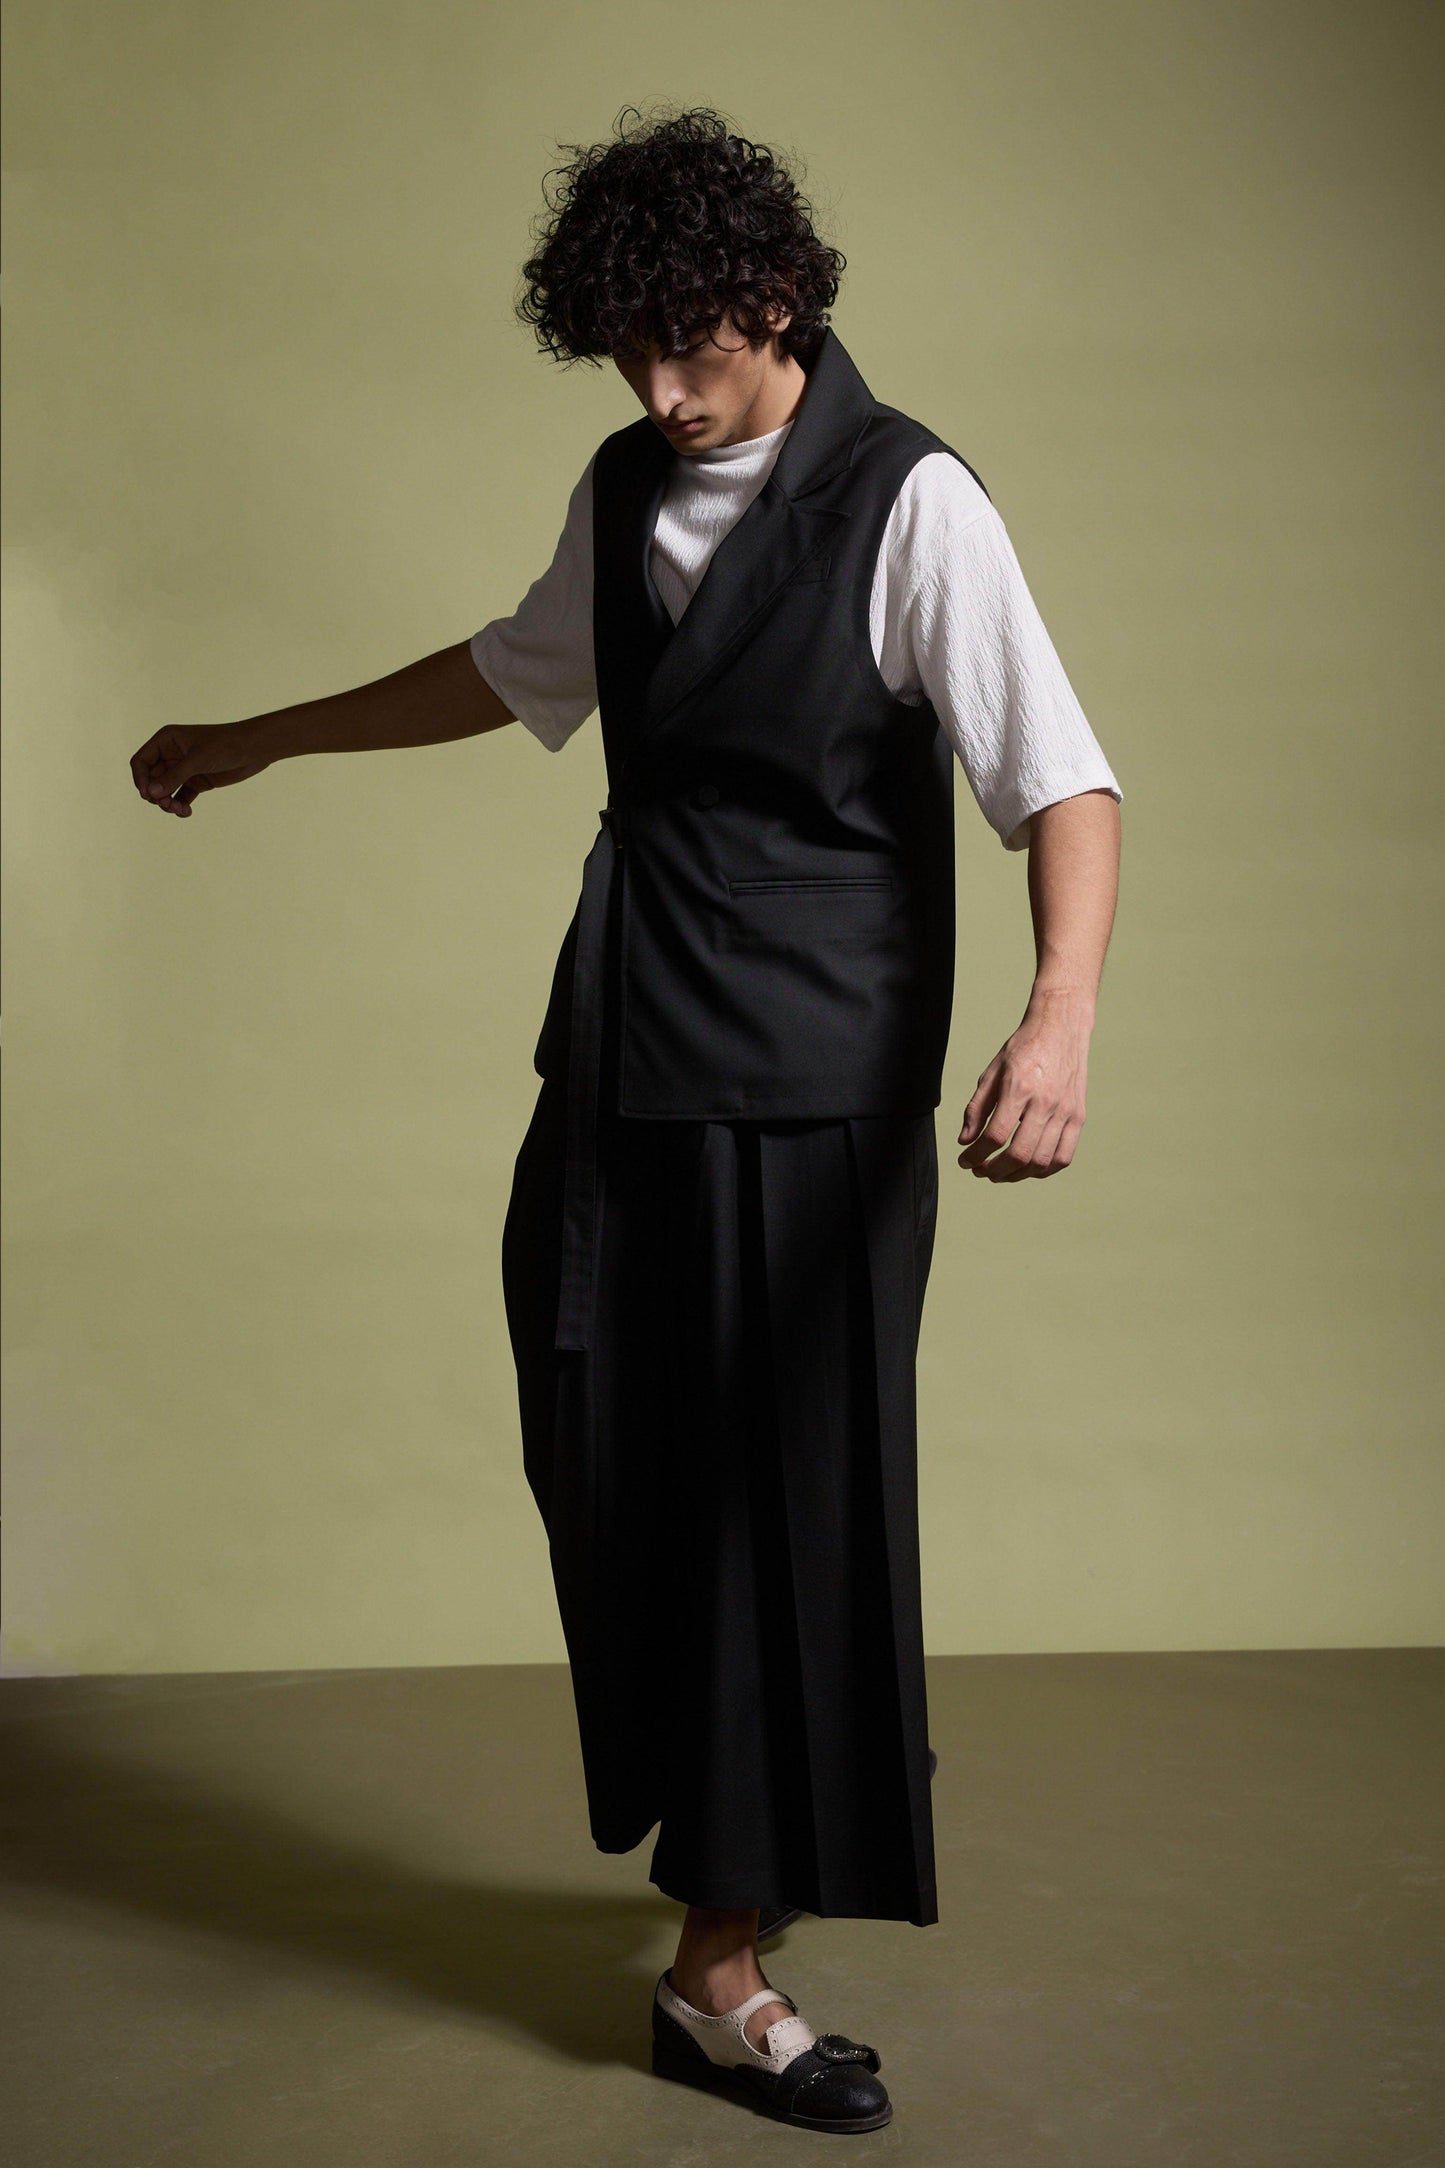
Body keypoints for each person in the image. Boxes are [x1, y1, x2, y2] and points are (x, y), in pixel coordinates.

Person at [130, 104, 1121, 2138]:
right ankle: (742, 1830)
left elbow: (1063, 783)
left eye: (693, 346)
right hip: (625, 1036)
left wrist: (1059, 1019)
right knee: (603, 1443)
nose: (661, 391)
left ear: (781, 300)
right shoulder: (625, 486)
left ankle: (717, 1966)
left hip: (817, 1079)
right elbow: (513, 671)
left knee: (774, 1494)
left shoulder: (911, 503)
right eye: (626, 353)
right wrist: (258, 738)